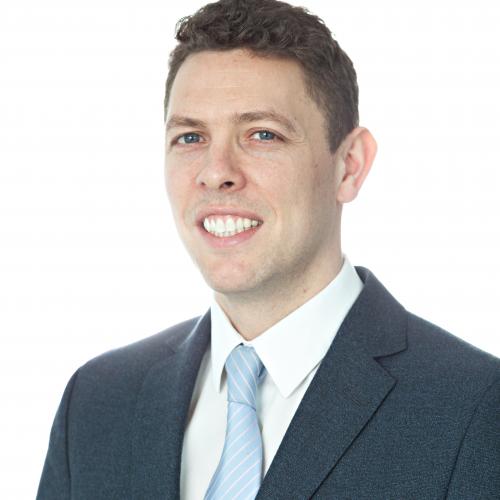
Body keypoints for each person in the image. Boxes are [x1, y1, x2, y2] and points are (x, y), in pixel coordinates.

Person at [37, 0, 500, 498]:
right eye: (190, 137)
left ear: (349, 165)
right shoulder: (97, 403)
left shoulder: (475, 409)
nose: (216, 171)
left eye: (262, 134)